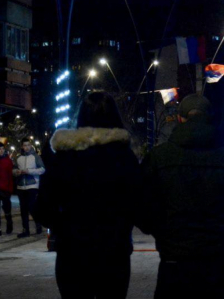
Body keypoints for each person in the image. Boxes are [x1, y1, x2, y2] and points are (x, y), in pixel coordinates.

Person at [143, 94, 224, 299]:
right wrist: (223, 227)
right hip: (214, 255)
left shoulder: (160, 157)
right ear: (210, 118)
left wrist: (161, 229)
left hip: (174, 255)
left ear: (180, 118)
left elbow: (140, 203)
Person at [35, 92, 144, 299]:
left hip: (72, 252)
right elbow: (139, 205)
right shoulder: (124, 158)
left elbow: (43, 207)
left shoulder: (65, 158)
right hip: (114, 252)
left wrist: (63, 227)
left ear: (81, 117)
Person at [13, 138, 45, 237]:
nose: (26, 147)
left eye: (28, 145)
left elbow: (42, 169)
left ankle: (38, 223)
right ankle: (25, 230)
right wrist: (16, 172)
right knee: (23, 209)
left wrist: (29, 171)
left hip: (32, 185)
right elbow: (13, 169)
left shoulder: (35, 157)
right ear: (22, 146)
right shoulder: (18, 158)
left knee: (31, 207)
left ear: (30, 146)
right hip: (21, 186)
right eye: (24, 145)